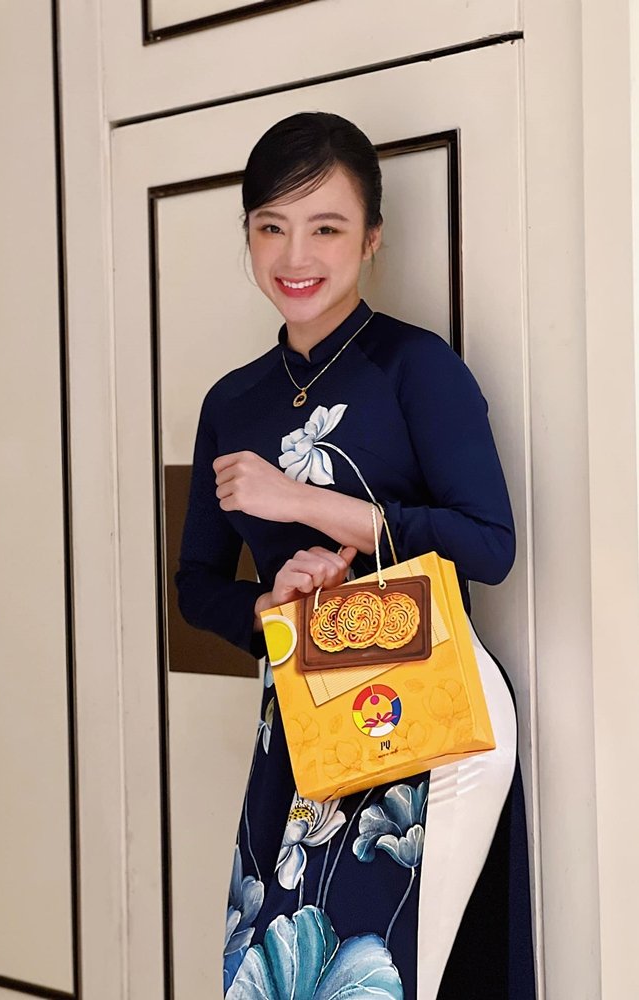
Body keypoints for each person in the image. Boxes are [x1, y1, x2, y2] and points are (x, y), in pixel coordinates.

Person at [175, 111, 536, 999]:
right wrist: (268, 605)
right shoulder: (231, 403)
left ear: (372, 237)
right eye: (271, 226)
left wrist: (302, 502)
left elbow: (489, 544)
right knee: (274, 975)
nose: (296, 254)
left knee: (384, 979)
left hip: (435, 716)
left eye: (327, 228)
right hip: (303, 719)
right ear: (248, 235)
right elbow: (194, 586)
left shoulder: (417, 368)